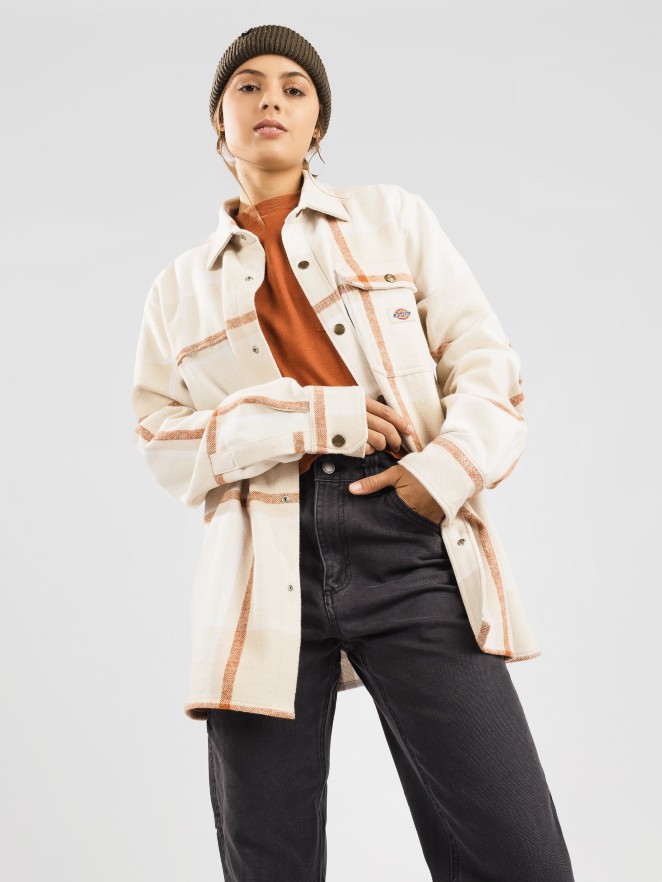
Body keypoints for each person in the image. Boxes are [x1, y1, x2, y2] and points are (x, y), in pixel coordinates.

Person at [131, 23, 576, 882]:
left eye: (294, 88)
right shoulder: (177, 288)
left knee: (513, 847)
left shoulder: (389, 218)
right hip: (259, 562)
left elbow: (486, 364)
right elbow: (160, 439)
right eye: (248, 85)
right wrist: (307, 419)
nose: (271, 99)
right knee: (268, 857)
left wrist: (439, 476)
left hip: (403, 531)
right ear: (219, 120)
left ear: (318, 124)